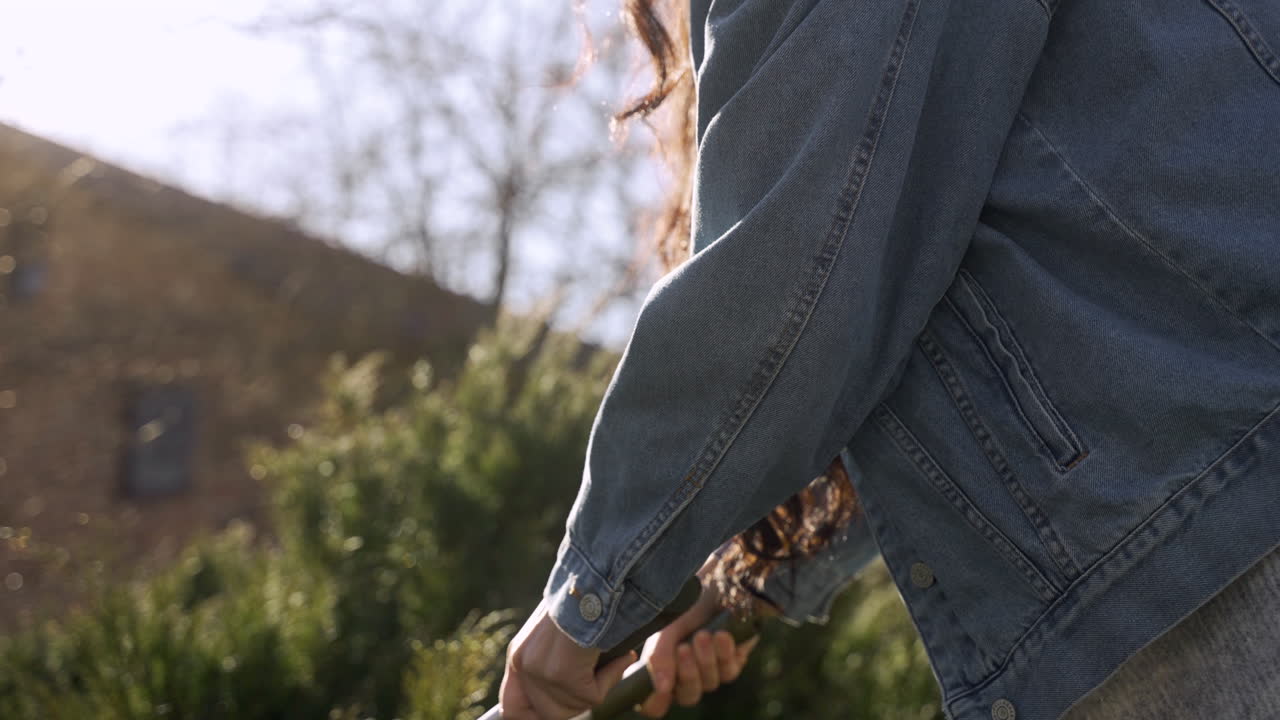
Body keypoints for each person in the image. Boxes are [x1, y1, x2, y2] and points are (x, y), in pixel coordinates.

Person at [497, 0, 1280, 718]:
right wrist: (730, 586)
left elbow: (799, 258)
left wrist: (592, 591)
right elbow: (934, 277)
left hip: (1208, 544)